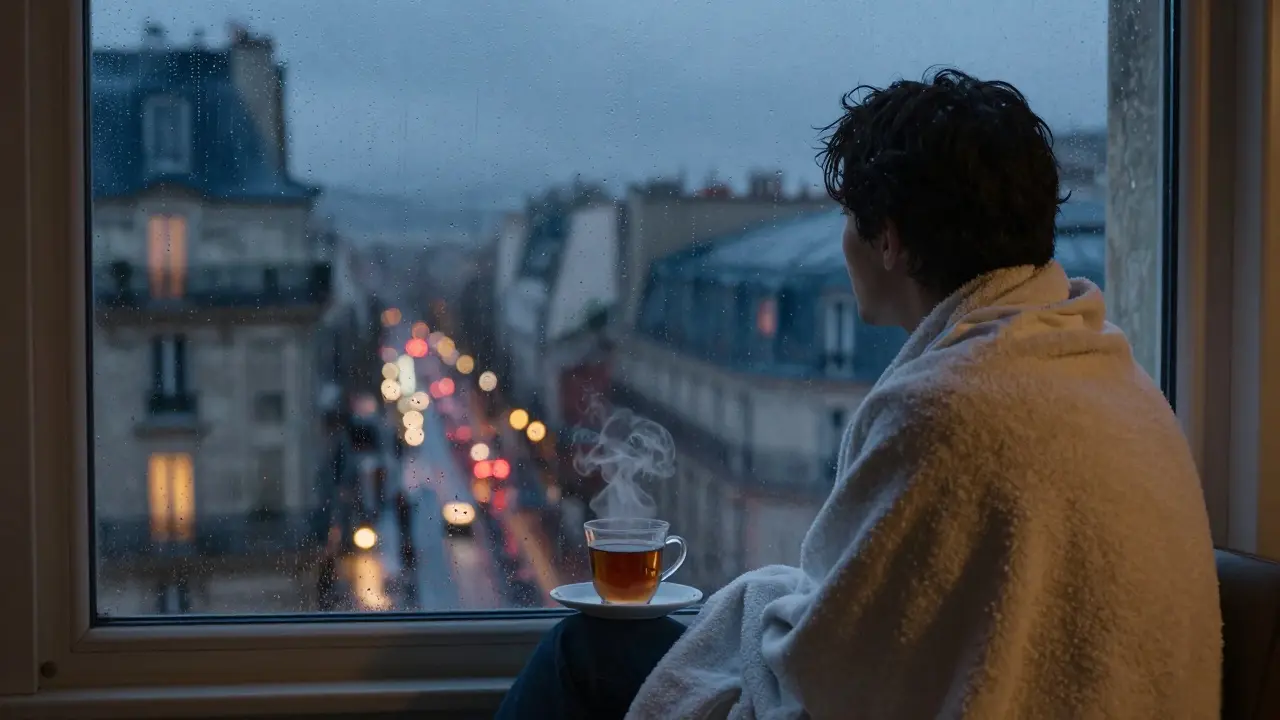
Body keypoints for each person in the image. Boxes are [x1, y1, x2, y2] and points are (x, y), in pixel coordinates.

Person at [496, 68, 1221, 719]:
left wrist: (756, 606)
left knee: (582, 652)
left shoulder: (946, 408)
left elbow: (828, 674)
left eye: (849, 216)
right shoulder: (1110, 373)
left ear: (890, 242)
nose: (843, 239)